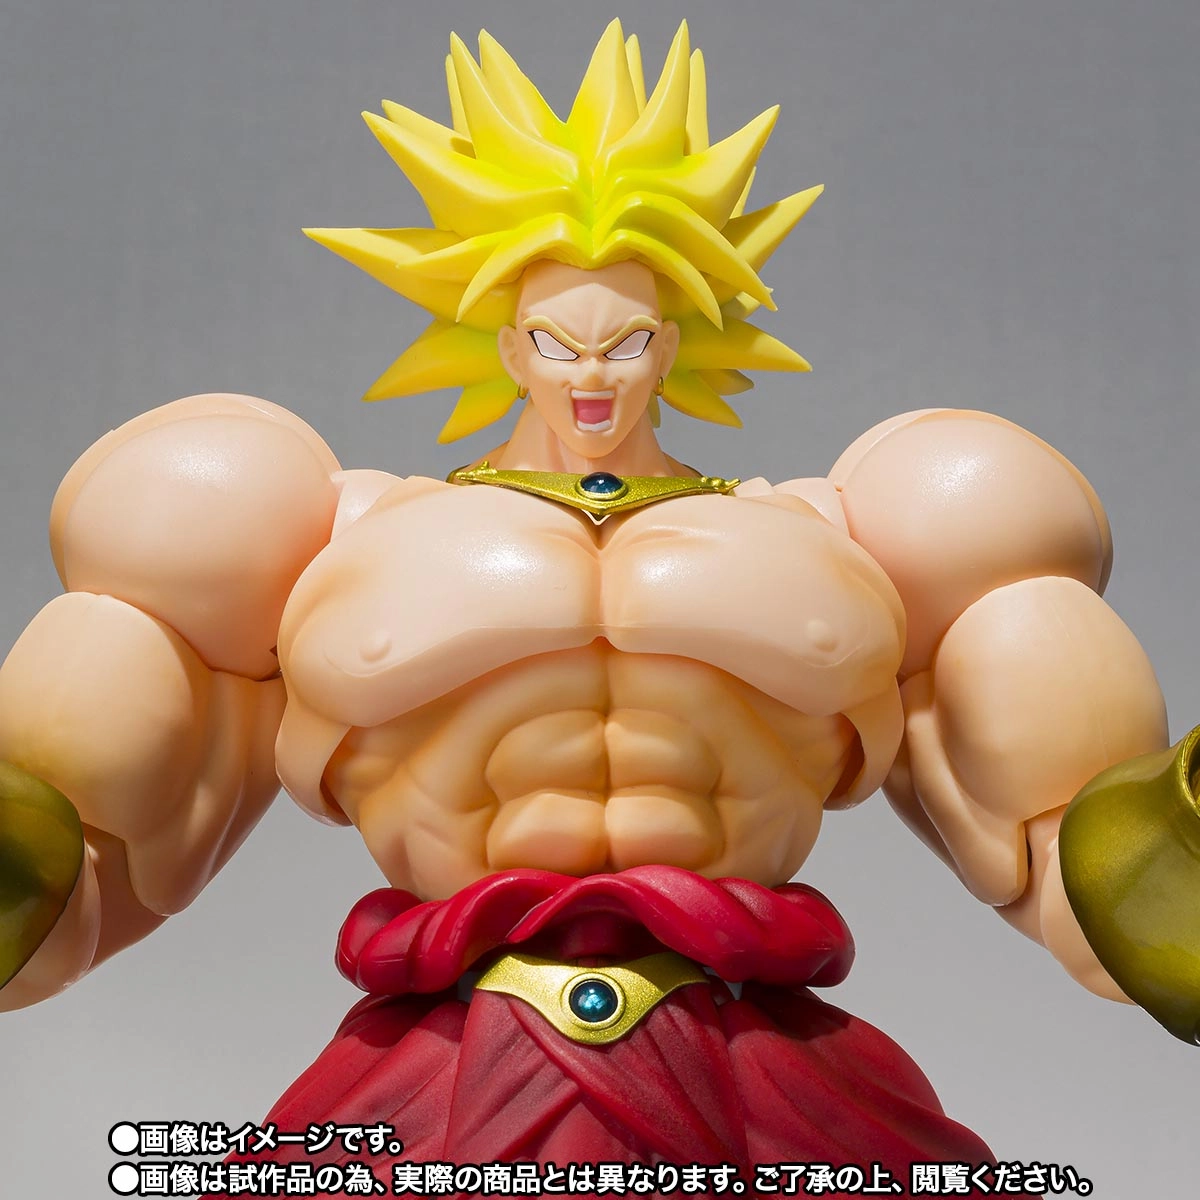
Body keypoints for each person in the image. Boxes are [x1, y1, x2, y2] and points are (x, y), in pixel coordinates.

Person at [0, 19, 1192, 1197]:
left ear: (672, 344)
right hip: (444, 1052)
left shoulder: (854, 528)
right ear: (506, 344)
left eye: (623, 342)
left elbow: (1087, 868)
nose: (590, 374)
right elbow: (76, 868)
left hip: (752, 1046)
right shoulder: (331, 528)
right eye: (556, 340)